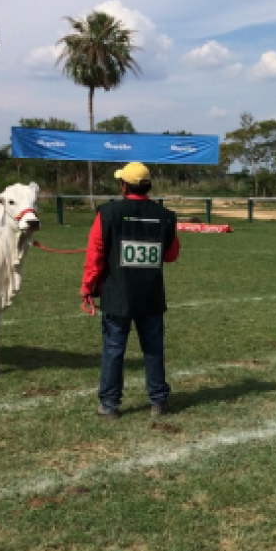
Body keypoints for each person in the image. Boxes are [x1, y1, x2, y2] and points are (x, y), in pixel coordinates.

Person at [80, 162, 181, 419]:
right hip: (151, 296)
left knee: (113, 350)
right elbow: (171, 255)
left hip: (117, 297)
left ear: (124, 185)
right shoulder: (166, 217)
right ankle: (158, 402)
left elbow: (95, 255)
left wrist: (87, 288)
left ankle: (109, 405)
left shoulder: (108, 212)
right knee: (153, 349)